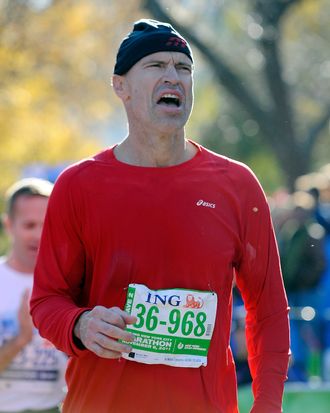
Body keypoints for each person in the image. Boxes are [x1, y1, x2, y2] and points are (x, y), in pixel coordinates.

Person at [31, 19, 290, 413]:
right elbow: (47, 301)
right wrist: (80, 325)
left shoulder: (236, 185)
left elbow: (268, 308)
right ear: (121, 86)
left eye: (183, 69)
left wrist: (268, 403)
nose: (174, 77)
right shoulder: (78, 185)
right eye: (155, 66)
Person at [0, 178, 67, 413]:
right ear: (9, 225)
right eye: (29, 225)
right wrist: (21, 339)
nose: (39, 235)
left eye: (46, 225)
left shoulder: (71, 285)